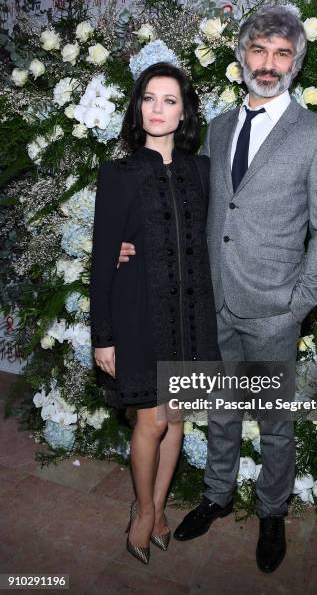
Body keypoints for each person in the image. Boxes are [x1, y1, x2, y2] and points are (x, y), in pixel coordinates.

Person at [118, 4, 317, 573]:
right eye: (259, 51)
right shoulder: (216, 127)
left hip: (274, 310)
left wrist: (299, 303)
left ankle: (271, 512)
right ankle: (216, 496)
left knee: (274, 421)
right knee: (219, 411)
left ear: (296, 63)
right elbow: (193, 209)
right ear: (241, 55)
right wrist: (134, 244)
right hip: (211, 301)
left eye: (282, 53)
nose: (268, 64)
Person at [90, 62, 220, 566]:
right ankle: (143, 511)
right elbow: (103, 260)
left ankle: (162, 507)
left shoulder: (202, 171)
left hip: (191, 317)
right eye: (149, 98)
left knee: (178, 419)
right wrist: (103, 337)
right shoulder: (118, 174)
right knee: (151, 421)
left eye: (169, 100)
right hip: (139, 314)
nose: (158, 109)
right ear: (137, 106)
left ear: (184, 110)